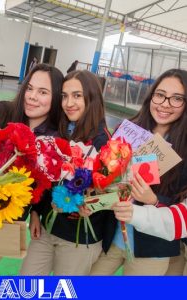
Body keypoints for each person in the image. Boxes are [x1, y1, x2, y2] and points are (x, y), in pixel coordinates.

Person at [0, 63, 64, 275]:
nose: (32, 96)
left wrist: (36, 211)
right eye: (30, 88)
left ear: (55, 99)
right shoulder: (1, 112)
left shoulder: (54, 141)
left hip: (1, 219)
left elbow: (45, 186)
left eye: (43, 92)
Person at [91, 68, 187, 275]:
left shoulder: (184, 148)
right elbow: (105, 176)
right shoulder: (127, 131)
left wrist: (154, 199)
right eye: (160, 95)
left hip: (151, 251)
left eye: (176, 98)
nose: (164, 104)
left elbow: (182, 209)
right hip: (112, 237)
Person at [20, 70, 112, 275]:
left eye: (77, 95)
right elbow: (47, 177)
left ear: (92, 98)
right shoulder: (61, 130)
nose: (69, 103)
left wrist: (92, 205)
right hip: (46, 230)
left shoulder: (105, 143)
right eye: (64, 96)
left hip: (79, 241)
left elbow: (113, 195)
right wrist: (36, 211)